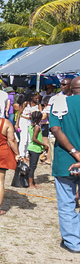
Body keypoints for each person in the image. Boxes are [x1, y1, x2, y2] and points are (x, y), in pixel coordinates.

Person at [49, 76, 80, 253]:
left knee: (67, 203)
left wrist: (74, 152)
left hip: (66, 160)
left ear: (70, 89)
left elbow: (55, 129)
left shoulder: (61, 104)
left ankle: (72, 242)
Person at [16, 92, 41, 161]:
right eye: (36, 98)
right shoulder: (26, 103)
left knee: (30, 139)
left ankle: (27, 154)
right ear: (31, 97)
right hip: (23, 120)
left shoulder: (38, 105)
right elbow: (19, 113)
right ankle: (21, 155)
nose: (37, 99)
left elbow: (41, 113)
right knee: (24, 139)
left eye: (38, 98)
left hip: (31, 122)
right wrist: (17, 123)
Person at [27, 111, 45, 189]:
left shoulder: (31, 126)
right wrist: (44, 144)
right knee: (32, 167)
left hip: (31, 147)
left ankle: (33, 182)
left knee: (32, 166)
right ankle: (30, 184)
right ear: (40, 118)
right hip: (35, 148)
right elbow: (34, 139)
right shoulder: (37, 127)